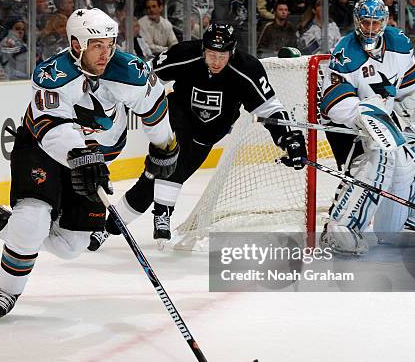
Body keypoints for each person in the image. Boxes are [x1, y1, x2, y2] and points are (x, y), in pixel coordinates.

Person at [0, 8, 178, 318]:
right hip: (43, 149)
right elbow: (53, 127)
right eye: (97, 45)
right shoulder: (52, 74)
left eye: (110, 44)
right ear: (76, 44)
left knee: (71, 246)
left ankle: (1, 223)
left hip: (92, 159)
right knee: (34, 220)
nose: (105, 53)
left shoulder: (130, 72)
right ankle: (8, 290)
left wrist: (165, 145)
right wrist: (81, 156)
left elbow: (153, 107)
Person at [87, 23, 307, 251]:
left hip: (208, 136)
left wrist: (289, 139)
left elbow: (270, 108)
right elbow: (145, 76)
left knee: (149, 183)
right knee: (170, 159)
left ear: (232, 51)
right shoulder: (184, 54)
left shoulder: (247, 69)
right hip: (178, 116)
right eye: (211, 54)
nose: (216, 61)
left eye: (222, 55)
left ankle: (108, 227)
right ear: (203, 49)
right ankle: (163, 211)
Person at [319, 0, 415, 254]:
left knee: (414, 150)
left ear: (384, 21)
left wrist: (414, 114)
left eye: (375, 23)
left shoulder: (400, 44)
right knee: (380, 158)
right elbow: (332, 104)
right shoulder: (345, 51)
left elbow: (408, 91)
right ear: (357, 21)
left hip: (383, 121)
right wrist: (363, 116)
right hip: (350, 129)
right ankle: (341, 227)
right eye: (365, 22)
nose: (370, 28)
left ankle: (396, 223)